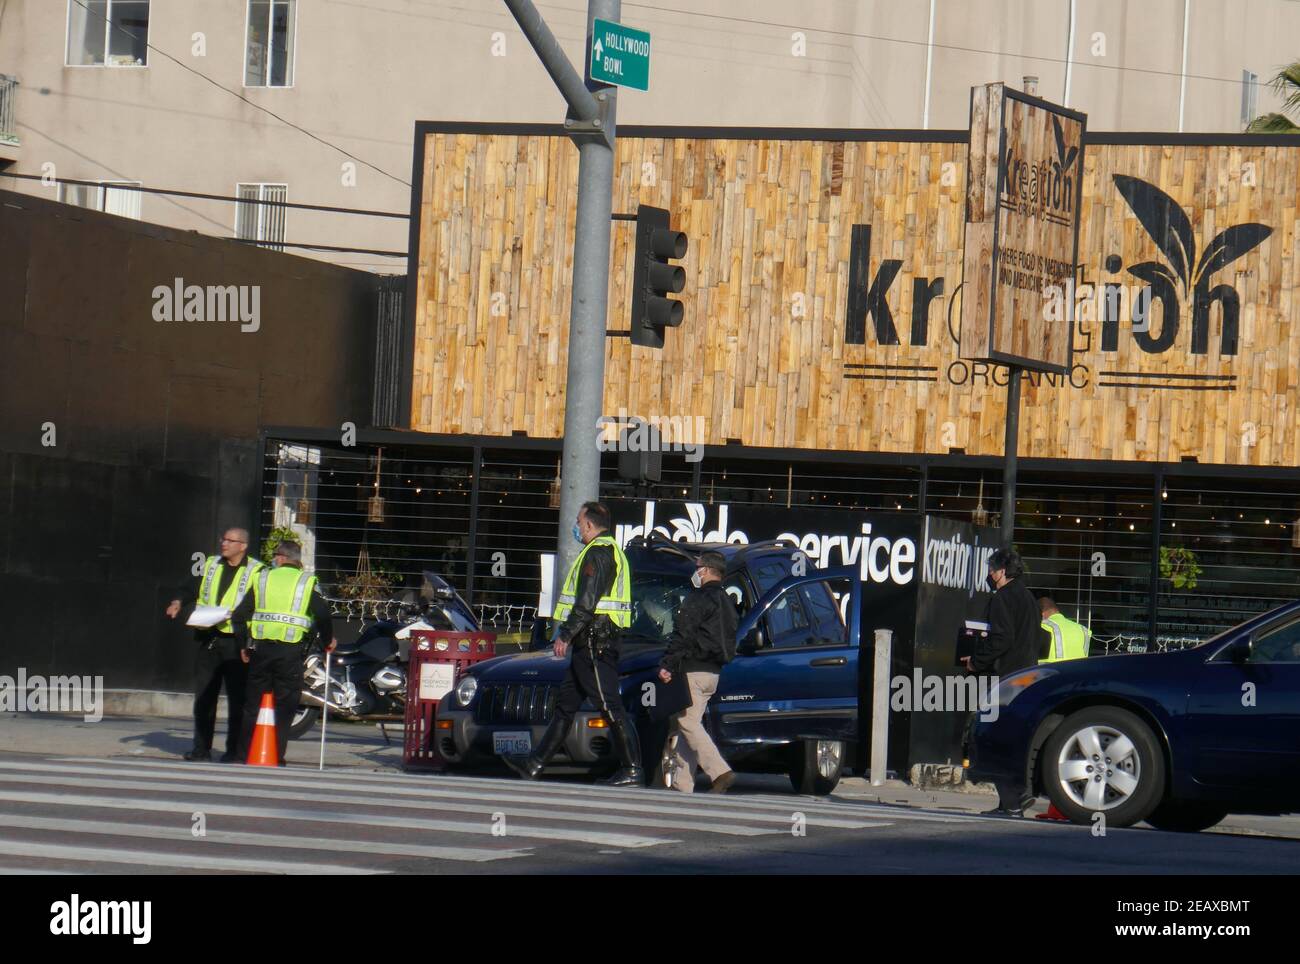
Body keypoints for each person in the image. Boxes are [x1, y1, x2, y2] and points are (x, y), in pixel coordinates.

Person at [504, 501, 642, 786]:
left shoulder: (599, 554)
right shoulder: (605, 551)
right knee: (566, 705)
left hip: (595, 640)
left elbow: (587, 601)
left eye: (579, 523)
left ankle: (632, 769)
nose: (577, 527)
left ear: (590, 525)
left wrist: (565, 633)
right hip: (592, 640)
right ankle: (534, 763)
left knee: (608, 704)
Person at [231, 539, 334, 765]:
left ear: (281, 557)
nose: (273, 560)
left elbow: (239, 616)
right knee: (285, 707)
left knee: (251, 706)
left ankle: (242, 755)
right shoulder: (306, 582)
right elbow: (323, 615)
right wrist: (328, 641)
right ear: (296, 559)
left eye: (275, 555)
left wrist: (243, 645)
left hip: (260, 651)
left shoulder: (262, 578)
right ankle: (276, 756)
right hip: (290, 653)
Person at [165, 527, 263, 762]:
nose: (224, 543)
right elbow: (190, 587)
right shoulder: (211, 565)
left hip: (236, 643)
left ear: (243, 546)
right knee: (204, 698)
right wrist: (177, 602)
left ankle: (234, 752)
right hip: (209, 638)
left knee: (237, 700)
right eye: (223, 539)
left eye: (231, 540)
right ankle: (201, 749)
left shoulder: (257, 571)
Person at [961, 547, 1040, 816]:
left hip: (1006, 678)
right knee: (1015, 737)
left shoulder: (1003, 599)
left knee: (995, 738)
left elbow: (1001, 639)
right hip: (1027, 675)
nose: (989, 574)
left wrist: (976, 661)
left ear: (1002, 572)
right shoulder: (1028, 597)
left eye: (992, 569)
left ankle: (1011, 800)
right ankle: (1019, 794)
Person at [658, 550, 738, 794]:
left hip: (693, 669)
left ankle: (720, 771)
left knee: (686, 721)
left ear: (705, 571)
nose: (695, 571)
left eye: (698, 566)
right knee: (688, 727)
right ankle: (683, 784)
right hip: (713, 673)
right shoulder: (727, 602)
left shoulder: (699, 598)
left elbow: (684, 634)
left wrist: (667, 664)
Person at [1039, 597, 1091, 664]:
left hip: (1050, 672)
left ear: (1041, 613)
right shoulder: (1084, 629)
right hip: (1078, 672)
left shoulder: (1042, 626)